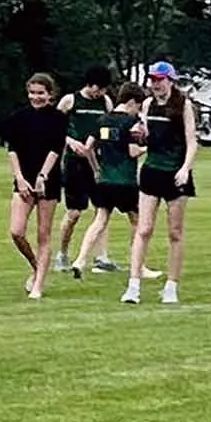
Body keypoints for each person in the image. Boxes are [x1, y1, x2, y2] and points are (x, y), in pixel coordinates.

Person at [127, 61, 198, 304]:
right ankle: (133, 285)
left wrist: (185, 169)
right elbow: (146, 136)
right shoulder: (147, 104)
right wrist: (141, 133)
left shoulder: (183, 105)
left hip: (175, 172)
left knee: (175, 232)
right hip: (152, 170)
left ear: (170, 80)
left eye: (160, 79)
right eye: (152, 80)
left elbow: (192, 140)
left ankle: (171, 286)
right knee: (143, 228)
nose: (155, 84)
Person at [3, 73, 64, 298]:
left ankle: (38, 285)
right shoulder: (19, 117)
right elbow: (12, 149)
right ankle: (36, 265)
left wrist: (43, 176)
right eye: (32, 92)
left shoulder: (57, 118)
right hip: (24, 179)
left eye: (41, 93)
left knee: (43, 234)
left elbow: (56, 149)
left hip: (48, 180)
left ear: (50, 94)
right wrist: (19, 178)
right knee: (16, 231)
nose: (35, 97)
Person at [74, 82, 143, 283]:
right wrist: (150, 148)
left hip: (105, 179)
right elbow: (132, 151)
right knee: (138, 223)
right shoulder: (130, 122)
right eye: (138, 105)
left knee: (100, 221)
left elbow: (88, 147)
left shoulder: (103, 120)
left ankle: (80, 259)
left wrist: (96, 169)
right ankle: (139, 265)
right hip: (125, 180)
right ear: (131, 102)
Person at [54, 66, 114, 274]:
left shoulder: (105, 103)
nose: (103, 93)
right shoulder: (70, 101)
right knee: (74, 212)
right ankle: (62, 254)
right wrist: (70, 141)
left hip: (97, 163)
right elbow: (54, 127)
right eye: (102, 89)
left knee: (102, 210)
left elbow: (108, 127)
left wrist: (102, 143)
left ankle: (101, 257)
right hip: (74, 163)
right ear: (93, 85)